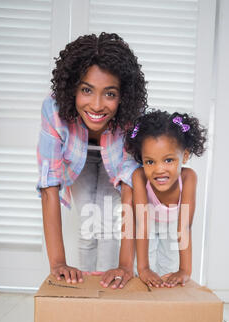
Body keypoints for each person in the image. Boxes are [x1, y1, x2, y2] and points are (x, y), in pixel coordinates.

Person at [36, 32, 147, 287]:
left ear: (123, 95)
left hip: (116, 160)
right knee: (89, 224)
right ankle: (86, 291)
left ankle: (109, 289)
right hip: (77, 160)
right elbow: (49, 182)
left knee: (108, 224)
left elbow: (131, 184)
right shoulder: (53, 110)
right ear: (72, 87)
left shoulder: (132, 117)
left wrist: (125, 266)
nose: (97, 105)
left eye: (109, 94)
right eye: (87, 90)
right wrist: (58, 263)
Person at [124, 110, 207, 288]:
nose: (159, 169)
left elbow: (184, 226)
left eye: (168, 160)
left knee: (169, 272)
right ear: (142, 160)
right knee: (146, 274)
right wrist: (144, 268)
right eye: (150, 162)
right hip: (148, 225)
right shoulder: (139, 176)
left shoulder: (188, 177)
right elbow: (142, 224)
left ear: (184, 156)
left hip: (173, 226)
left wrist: (185, 270)